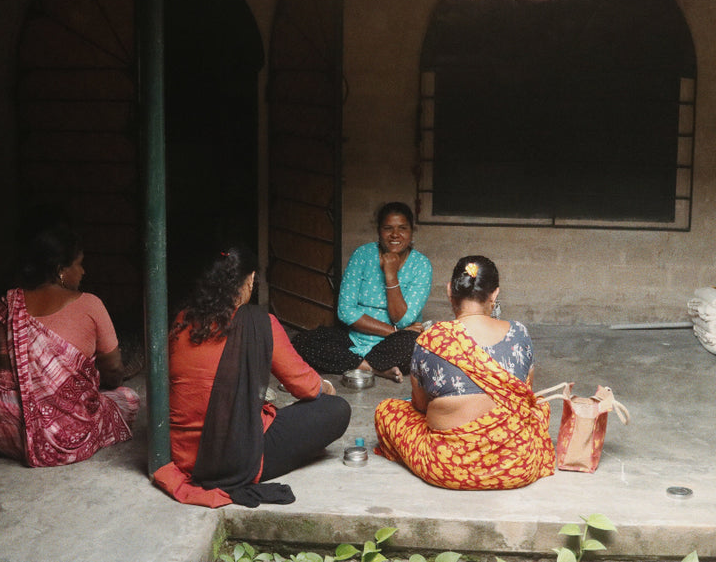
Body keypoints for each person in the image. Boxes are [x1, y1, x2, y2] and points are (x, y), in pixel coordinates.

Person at [0, 219, 139, 467]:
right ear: (61, 269)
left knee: (9, 393)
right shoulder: (91, 304)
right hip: (67, 434)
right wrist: (99, 386)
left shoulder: (7, 304)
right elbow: (113, 370)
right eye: (79, 265)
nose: (84, 272)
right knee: (127, 398)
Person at [153, 246, 351, 508]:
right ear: (249, 281)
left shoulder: (181, 320)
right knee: (336, 409)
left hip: (186, 455)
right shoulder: (261, 323)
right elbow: (306, 387)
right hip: (239, 457)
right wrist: (325, 387)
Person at [374, 255, 555, 489]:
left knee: (388, 411)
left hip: (448, 468)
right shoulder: (519, 333)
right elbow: (525, 398)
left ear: (450, 291)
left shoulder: (431, 339)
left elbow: (419, 405)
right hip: (517, 465)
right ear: (495, 294)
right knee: (539, 406)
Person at [293, 202, 432, 382]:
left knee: (413, 344)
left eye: (402, 228)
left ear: (411, 231)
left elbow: (403, 319)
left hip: (395, 345)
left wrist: (390, 274)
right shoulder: (362, 255)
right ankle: (373, 368)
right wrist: (393, 331)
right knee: (303, 342)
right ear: (379, 231)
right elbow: (345, 311)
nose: (395, 235)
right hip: (355, 339)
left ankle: (352, 364)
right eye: (388, 228)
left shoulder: (421, 265)